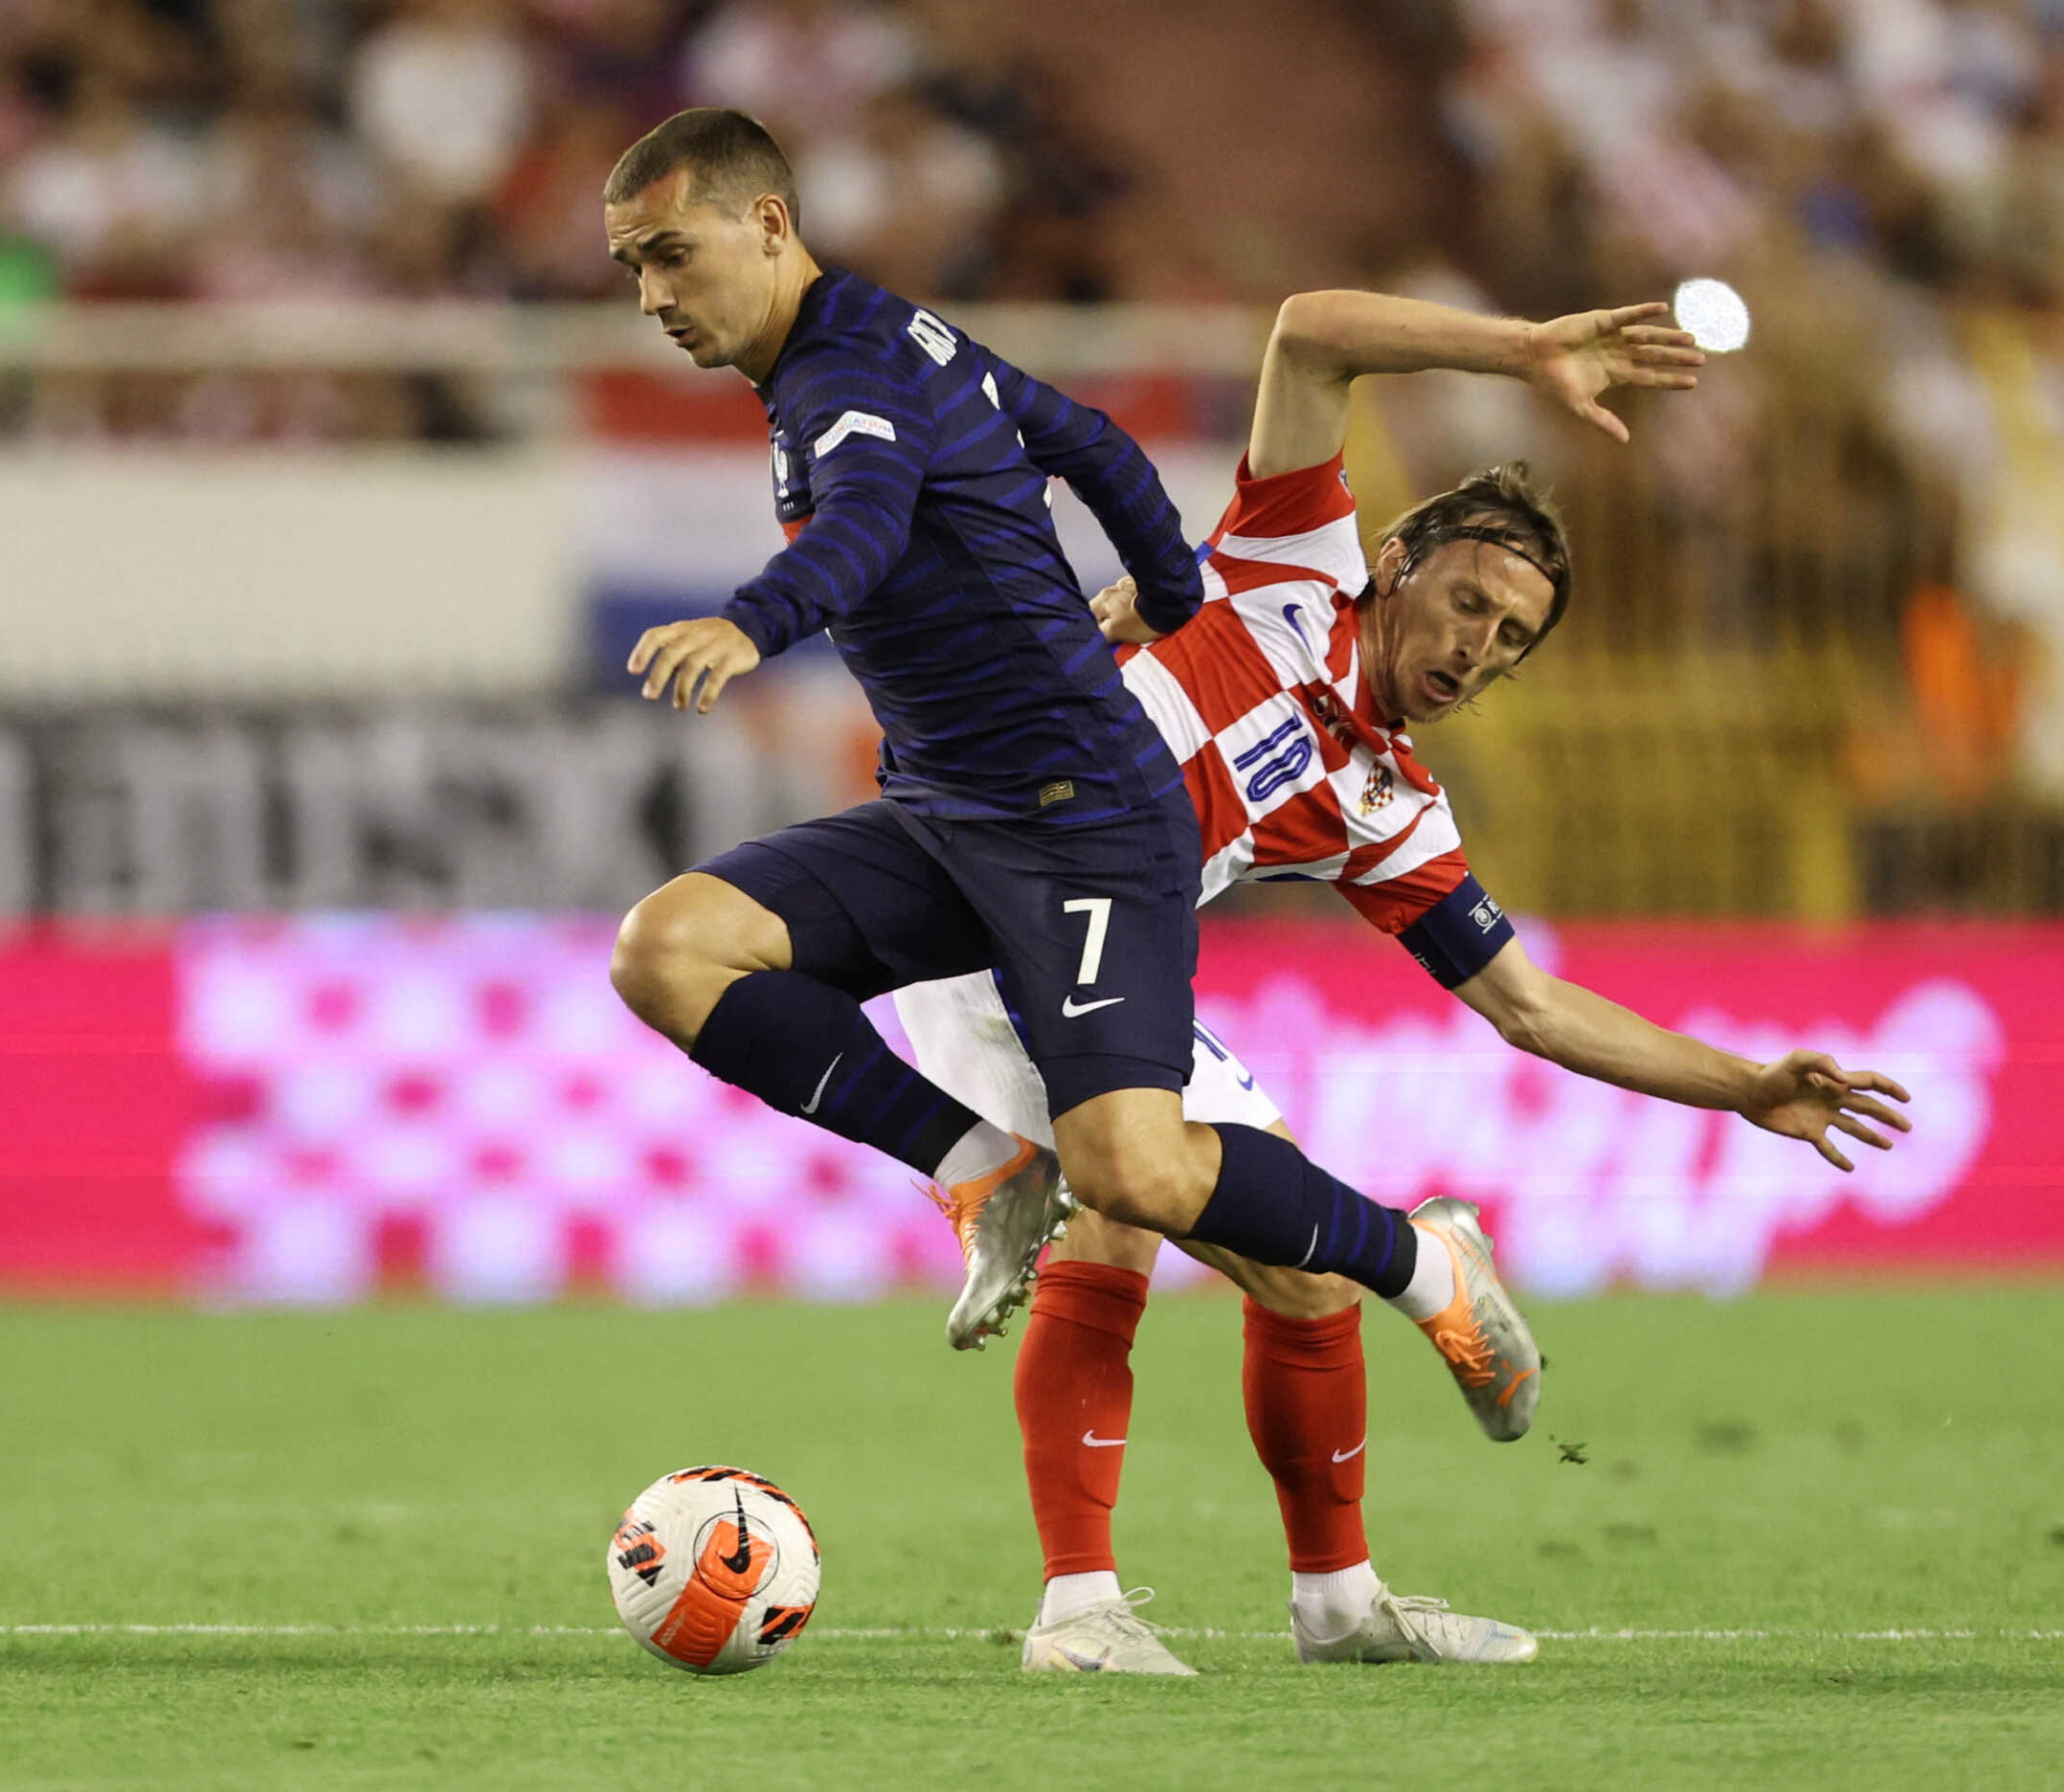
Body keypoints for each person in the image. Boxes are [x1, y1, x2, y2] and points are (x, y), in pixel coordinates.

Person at [890, 285, 1917, 1674]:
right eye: (1469, 604)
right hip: (986, 927)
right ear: (1395, 557)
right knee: (1119, 1217)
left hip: (1106, 968)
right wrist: (1528, 352)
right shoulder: (1286, 564)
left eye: (1509, 644)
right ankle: (1081, 1611)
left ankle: (1341, 1606)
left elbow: (1531, 1007)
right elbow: (1310, 331)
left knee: (1302, 1278)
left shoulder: (1386, 803)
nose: (1475, 649)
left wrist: (1746, 1087)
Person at [602, 109, 1546, 1422]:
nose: (652, 295)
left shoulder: (844, 380)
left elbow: (865, 530)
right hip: (953, 809)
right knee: (667, 948)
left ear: (768, 224)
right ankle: (981, 1171)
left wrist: (748, 621)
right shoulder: (889, 336)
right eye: (631, 268)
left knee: (1137, 1175)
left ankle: (1421, 1258)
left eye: (668, 254)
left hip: (1081, 817)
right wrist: (1171, 590)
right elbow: (1092, 443)